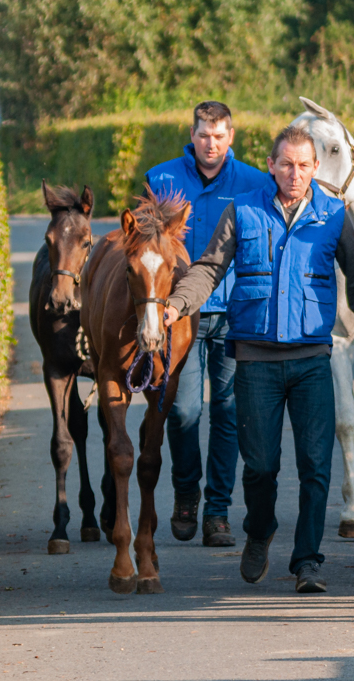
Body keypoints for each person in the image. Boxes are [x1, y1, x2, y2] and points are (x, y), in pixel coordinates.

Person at [164, 126, 354, 593]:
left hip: (313, 358)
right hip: (255, 361)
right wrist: (178, 303)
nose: (294, 174)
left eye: (303, 165)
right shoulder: (244, 210)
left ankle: (307, 562)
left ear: (316, 169)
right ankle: (259, 531)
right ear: (271, 166)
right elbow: (210, 267)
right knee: (259, 466)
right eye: (286, 164)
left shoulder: (334, 215)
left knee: (316, 463)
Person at [145, 102, 271, 548]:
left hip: (237, 314)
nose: (211, 144)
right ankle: (185, 493)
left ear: (230, 137)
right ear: (192, 134)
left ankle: (217, 510)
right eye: (203, 135)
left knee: (228, 413)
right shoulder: (161, 179)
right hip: (180, 317)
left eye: (219, 136)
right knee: (182, 410)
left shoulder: (257, 182)